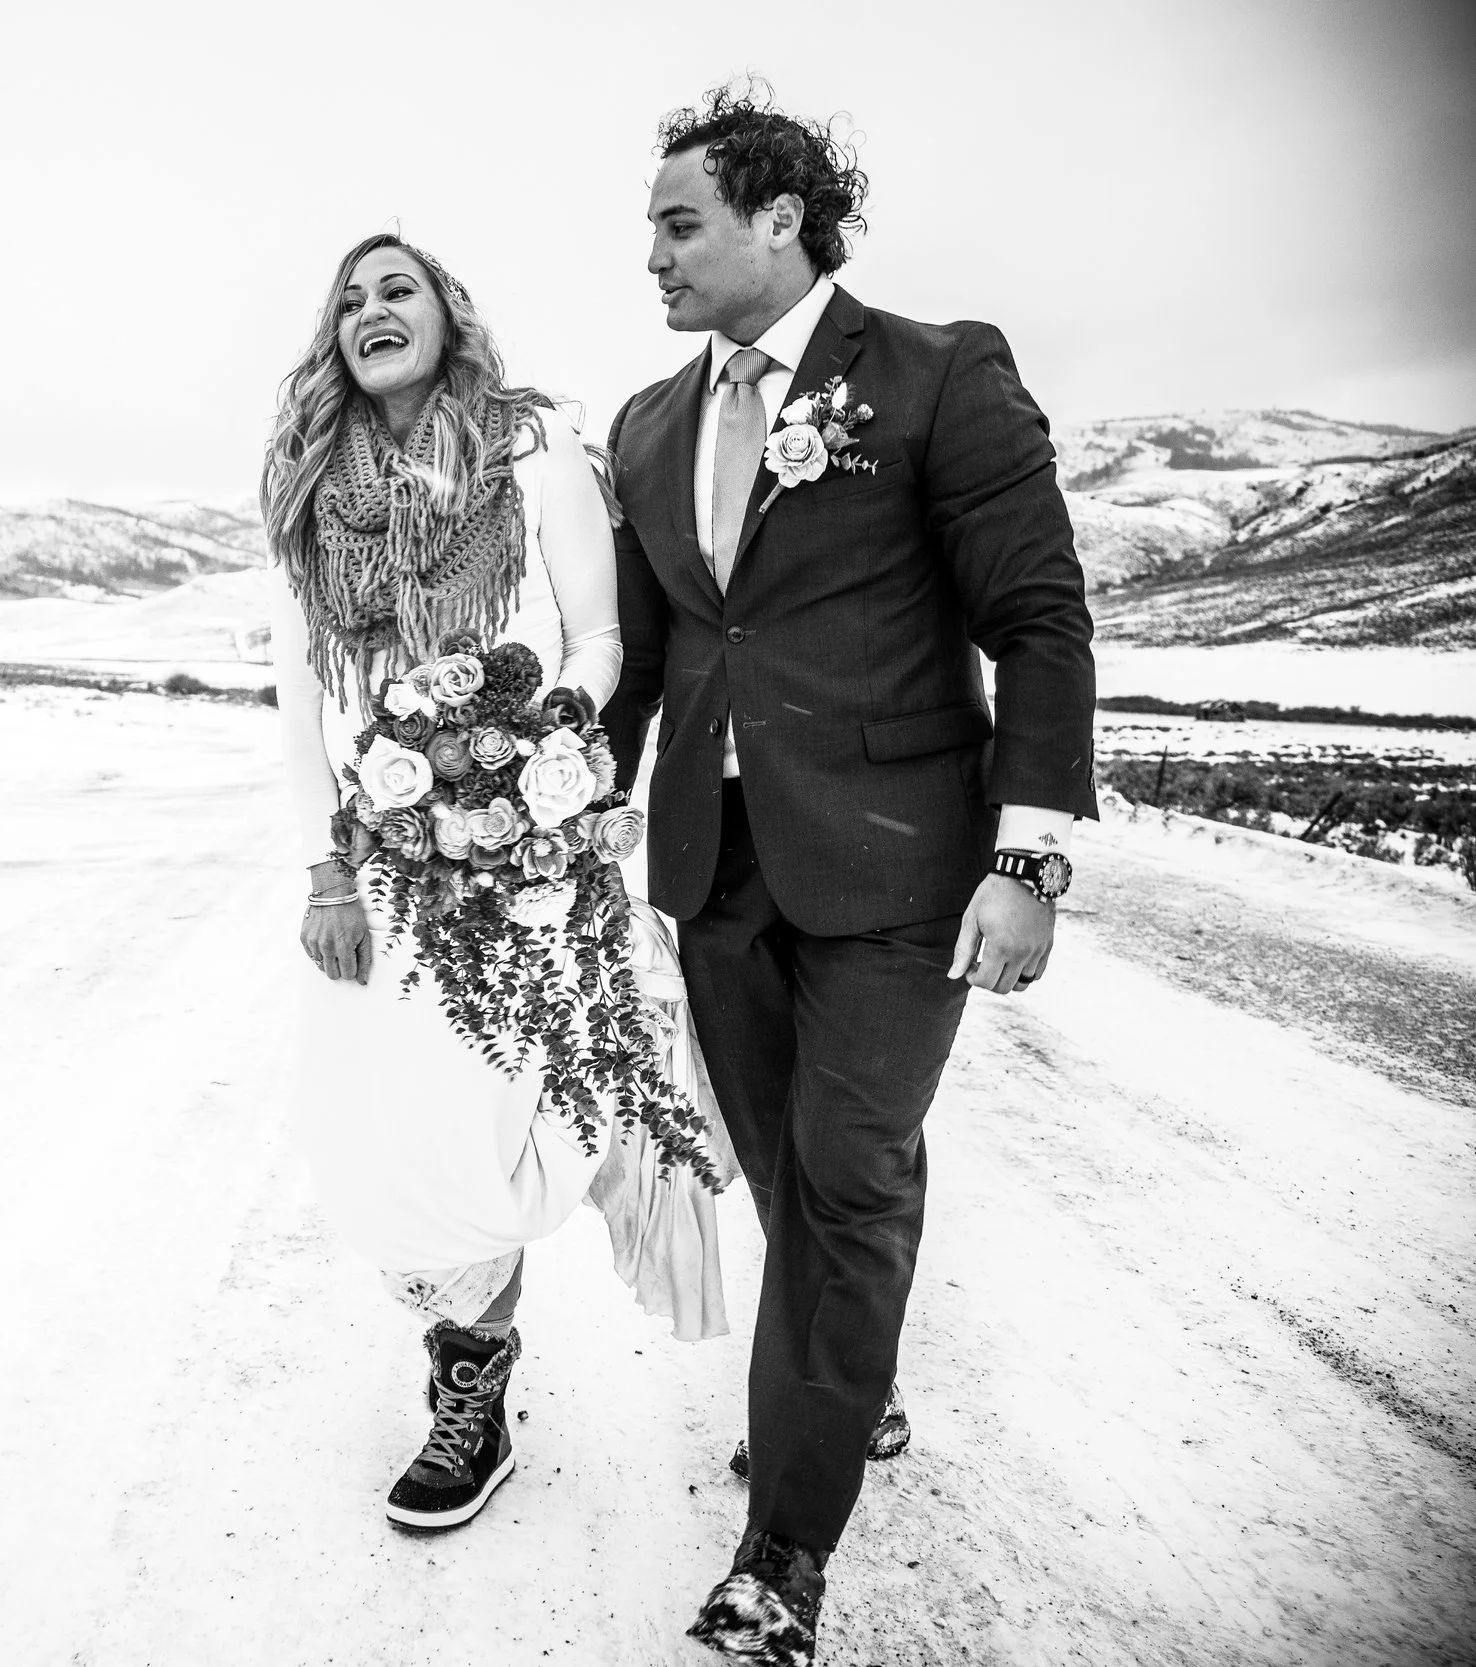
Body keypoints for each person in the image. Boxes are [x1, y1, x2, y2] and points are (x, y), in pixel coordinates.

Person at [599, 84, 1098, 1665]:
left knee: (846, 1170)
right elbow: (654, 660)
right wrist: (560, 800)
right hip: (717, 869)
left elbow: (1039, 621)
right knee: (783, 1170)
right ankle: (849, 1375)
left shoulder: (940, 375)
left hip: (901, 871)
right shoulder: (647, 426)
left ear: (781, 219)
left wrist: (1030, 855)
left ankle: (784, 1553)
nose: (653, 256)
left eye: (679, 223)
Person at [265, 232, 738, 1535]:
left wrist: (523, 744)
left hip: (516, 855)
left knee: (507, 1130)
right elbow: (301, 713)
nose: (371, 310)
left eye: (396, 288)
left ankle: (813, 1352)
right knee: (389, 1150)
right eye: (348, 299)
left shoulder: (532, 451)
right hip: (379, 869)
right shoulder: (305, 493)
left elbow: (599, 637)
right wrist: (327, 870)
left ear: (448, 312)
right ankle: (467, 1370)